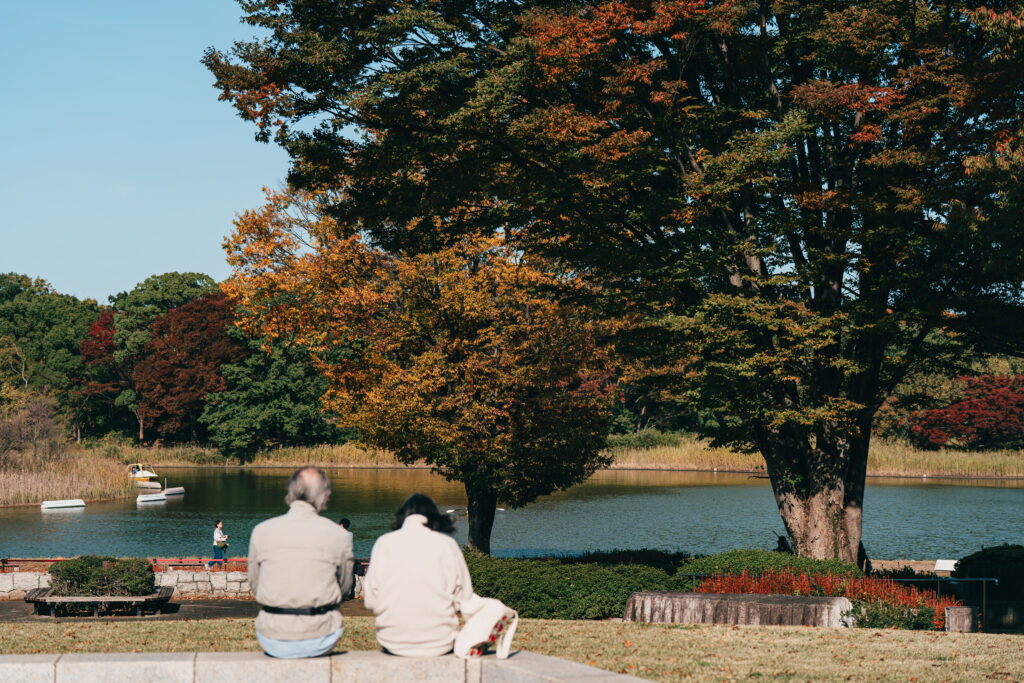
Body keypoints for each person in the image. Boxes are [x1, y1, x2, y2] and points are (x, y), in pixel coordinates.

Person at [363, 493, 516, 658]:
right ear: (434, 517)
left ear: (402, 516)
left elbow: (371, 600)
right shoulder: (447, 545)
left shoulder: (384, 543)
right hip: (440, 643)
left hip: (392, 642)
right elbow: (464, 599)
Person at [248, 466, 354, 659]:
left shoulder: (261, 531)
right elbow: (345, 587)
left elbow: (255, 584)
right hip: (322, 635)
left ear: (290, 493)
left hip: (272, 635)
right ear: (324, 496)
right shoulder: (340, 536)